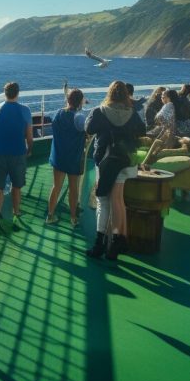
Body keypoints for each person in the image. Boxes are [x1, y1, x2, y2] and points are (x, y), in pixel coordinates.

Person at [85, 81, 145, 260]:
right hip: (126, 161)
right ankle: (118, 240)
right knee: (118, 200)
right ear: (126, 95)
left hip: (107, 162)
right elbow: (143, 130)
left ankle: (100, 243)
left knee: (103, 201)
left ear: (109, 93)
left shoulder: (100, 111)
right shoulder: (132, 113)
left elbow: (89, 128)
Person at [0, 81, 33, 232]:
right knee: (16, 186)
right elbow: (29, 135)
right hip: (17, 153)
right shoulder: (25, 110)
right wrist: (29, 149)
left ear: (5, 93)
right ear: (18, 93)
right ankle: (16, 213)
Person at [47, 88, 87, 226]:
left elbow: (56, 122)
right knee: (73, 189)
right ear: (80, 102)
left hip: (59, 156)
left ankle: (50, 215)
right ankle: (73, 218)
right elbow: (85, 130)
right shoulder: (80, 118)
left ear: (68, 100)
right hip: (73, 158)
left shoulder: (58, 113)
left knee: (56, 186)